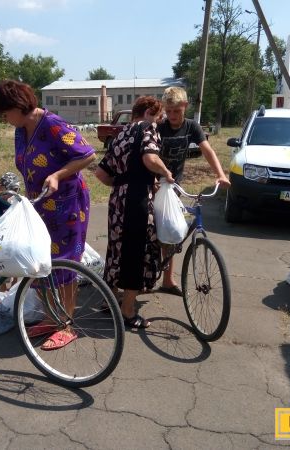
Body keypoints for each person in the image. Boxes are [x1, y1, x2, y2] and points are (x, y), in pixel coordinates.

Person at [0, 79, 96, 350]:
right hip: (40, 206)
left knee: (64, 265)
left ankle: (66, 325)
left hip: (68, 205)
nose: (5, 120)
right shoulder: (21, 130)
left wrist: (57, 174)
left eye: (5, 114)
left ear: (18, 106)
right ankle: (50, 318)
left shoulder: (53, 124)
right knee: (38, 262)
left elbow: (87, 155)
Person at [95, 96, 174, 329]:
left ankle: (109, 299)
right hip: (137, 199)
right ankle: (127, 311)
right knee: (136, 252)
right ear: (149, 113)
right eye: (158, 116)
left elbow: (101, 173)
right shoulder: (148, 128)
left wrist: (122, 183)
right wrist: (165, 172)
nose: (159, 121)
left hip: (118, 200)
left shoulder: (120, 134)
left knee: (116, 248)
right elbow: (150, 158)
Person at [156, 87, 230, 296]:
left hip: (174, 186)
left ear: (185, 106)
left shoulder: (192, 127)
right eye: (168, 111)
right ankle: (144, 273)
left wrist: (221, 175)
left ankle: (168, 281)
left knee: (172, 230)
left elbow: (207, 150)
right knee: (154, 230)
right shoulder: (159, 127)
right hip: (153, 184)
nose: (172, 116)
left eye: (176, 111)